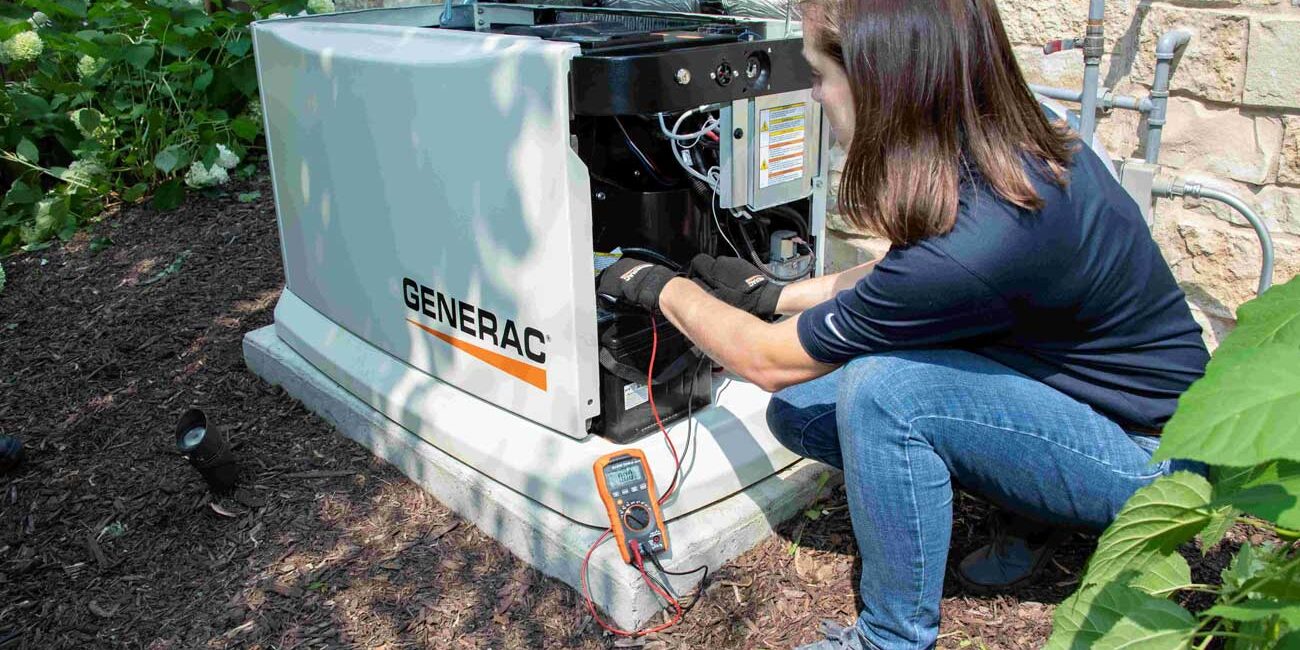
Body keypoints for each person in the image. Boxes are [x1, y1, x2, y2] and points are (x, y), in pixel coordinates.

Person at [595, 0, 1209, 647]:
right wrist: (773, 296)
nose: (814, 93)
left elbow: (767, 363)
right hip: (1080, 396)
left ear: (877, 83)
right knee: (802, 412)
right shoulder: (1005, 141)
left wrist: (661, 287)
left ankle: (890, 636)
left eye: (819, 74)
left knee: (885, 394)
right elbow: (905, 274)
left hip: (1154, 464)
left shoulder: (987, 237)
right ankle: (1031, 504)